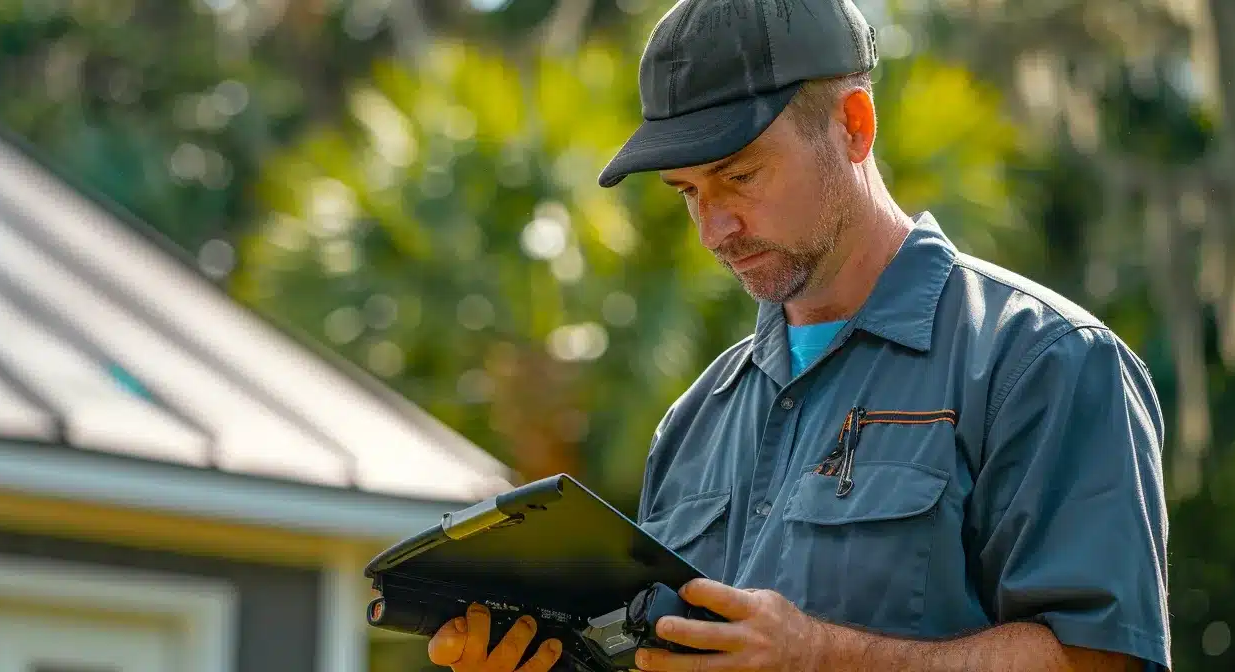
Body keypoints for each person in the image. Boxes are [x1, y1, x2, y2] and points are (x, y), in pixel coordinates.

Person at [424, 0, 1172, 670]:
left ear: (853, 126)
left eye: (740, 176)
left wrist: (820, 657)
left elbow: (1098, 661)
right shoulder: (695, 420)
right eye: (688, 192)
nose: (714, 230)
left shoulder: (1045, 359)